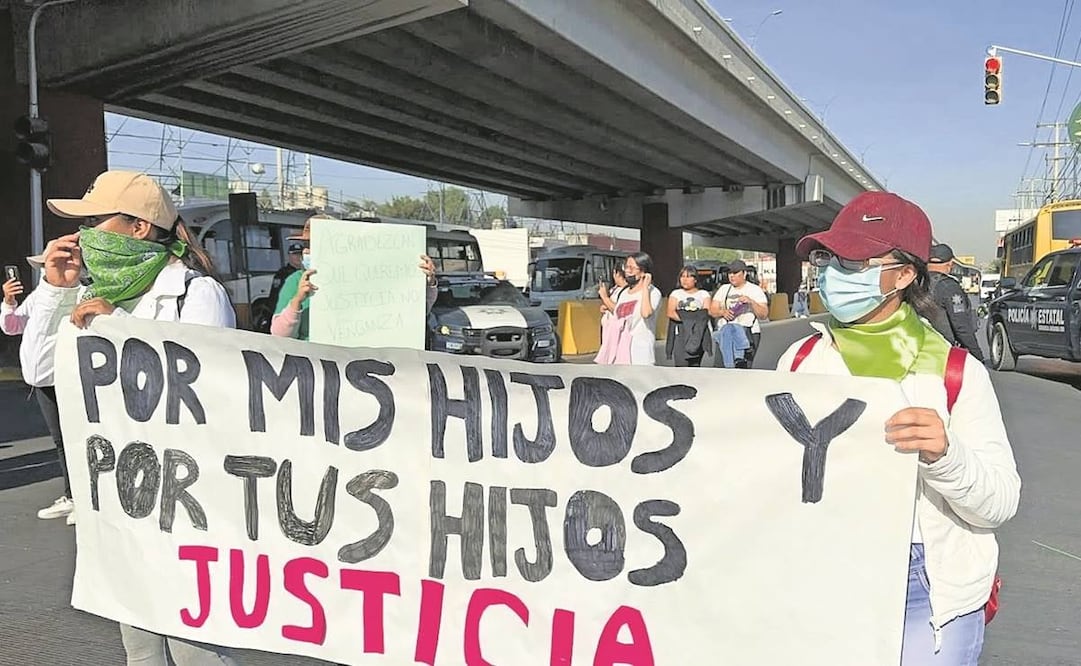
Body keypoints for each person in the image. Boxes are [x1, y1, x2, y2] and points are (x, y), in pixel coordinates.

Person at [777, 191, 1020, 665]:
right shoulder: (801, 360)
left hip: (925, 586)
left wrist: (945, 456)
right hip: (822, 569)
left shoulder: (956, 373)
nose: (832, 272)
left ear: (905, 274)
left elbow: (999, 503)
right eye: (829, 258)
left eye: (854, 260)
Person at [19, 170, 240, 666]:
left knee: (195, 650)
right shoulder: (89, 292)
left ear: (139, 228)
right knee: (140, 650)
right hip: (122, 493)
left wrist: (115, 327)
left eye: (97, 221)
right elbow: (39, 370)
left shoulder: (194, 293)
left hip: (186, 497)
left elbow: (203, 389)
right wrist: (54, 291)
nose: (84, 236)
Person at [270, 215, 438, 340]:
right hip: (319, 372)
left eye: (313, 245)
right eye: (305, 246)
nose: (306, 251)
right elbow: (279, 335)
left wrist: (427, 283)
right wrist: (297, 301)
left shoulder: (369, 277)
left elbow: (414, 313)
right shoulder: (295, 281)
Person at [596, 252, 662, 365]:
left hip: (641, 355)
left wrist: (645, 288)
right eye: (626, 267)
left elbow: (646, 313)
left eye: (632, 267)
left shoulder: (653, 292)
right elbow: (618, 315)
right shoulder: (624, 293)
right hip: (620, 354)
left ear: (643, 271)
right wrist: (607, 308)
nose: (628, 271)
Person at [927, 243, 986, 363]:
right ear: (950, 264)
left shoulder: (914, 282)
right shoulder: (949, 287)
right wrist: (977, 356)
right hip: (943, 353)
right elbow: (961, 326)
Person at [709, 259, 768, 368]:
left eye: (736, 273)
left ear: (744, 274)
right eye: (730, 273)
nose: (732, 276)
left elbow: (763, 315)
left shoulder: (755, 290)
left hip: (747, 332)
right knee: (721, 368)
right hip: (725, 333)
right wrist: (723, 312)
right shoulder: (724, 289)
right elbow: (712, 310)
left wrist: (751, 302)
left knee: (743, 369)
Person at [665, 265, 713, 367]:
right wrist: (689, 320)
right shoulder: (676, 293)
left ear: (695, 279)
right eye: (682, 276)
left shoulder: (703, 294)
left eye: (688, 277)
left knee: (695, 366)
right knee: (681, 366)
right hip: (681, 333)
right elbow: (670, 312)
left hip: (698, 333)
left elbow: (705, 313)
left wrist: (687, 318)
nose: (684, 280)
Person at [260, 241, 304, 332]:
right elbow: (275, 296)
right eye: (295, 254)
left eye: (300, 254)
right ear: (289, 256)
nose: (298, 257)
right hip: (285, 313)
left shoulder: (306, 273)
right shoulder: (283, 274)